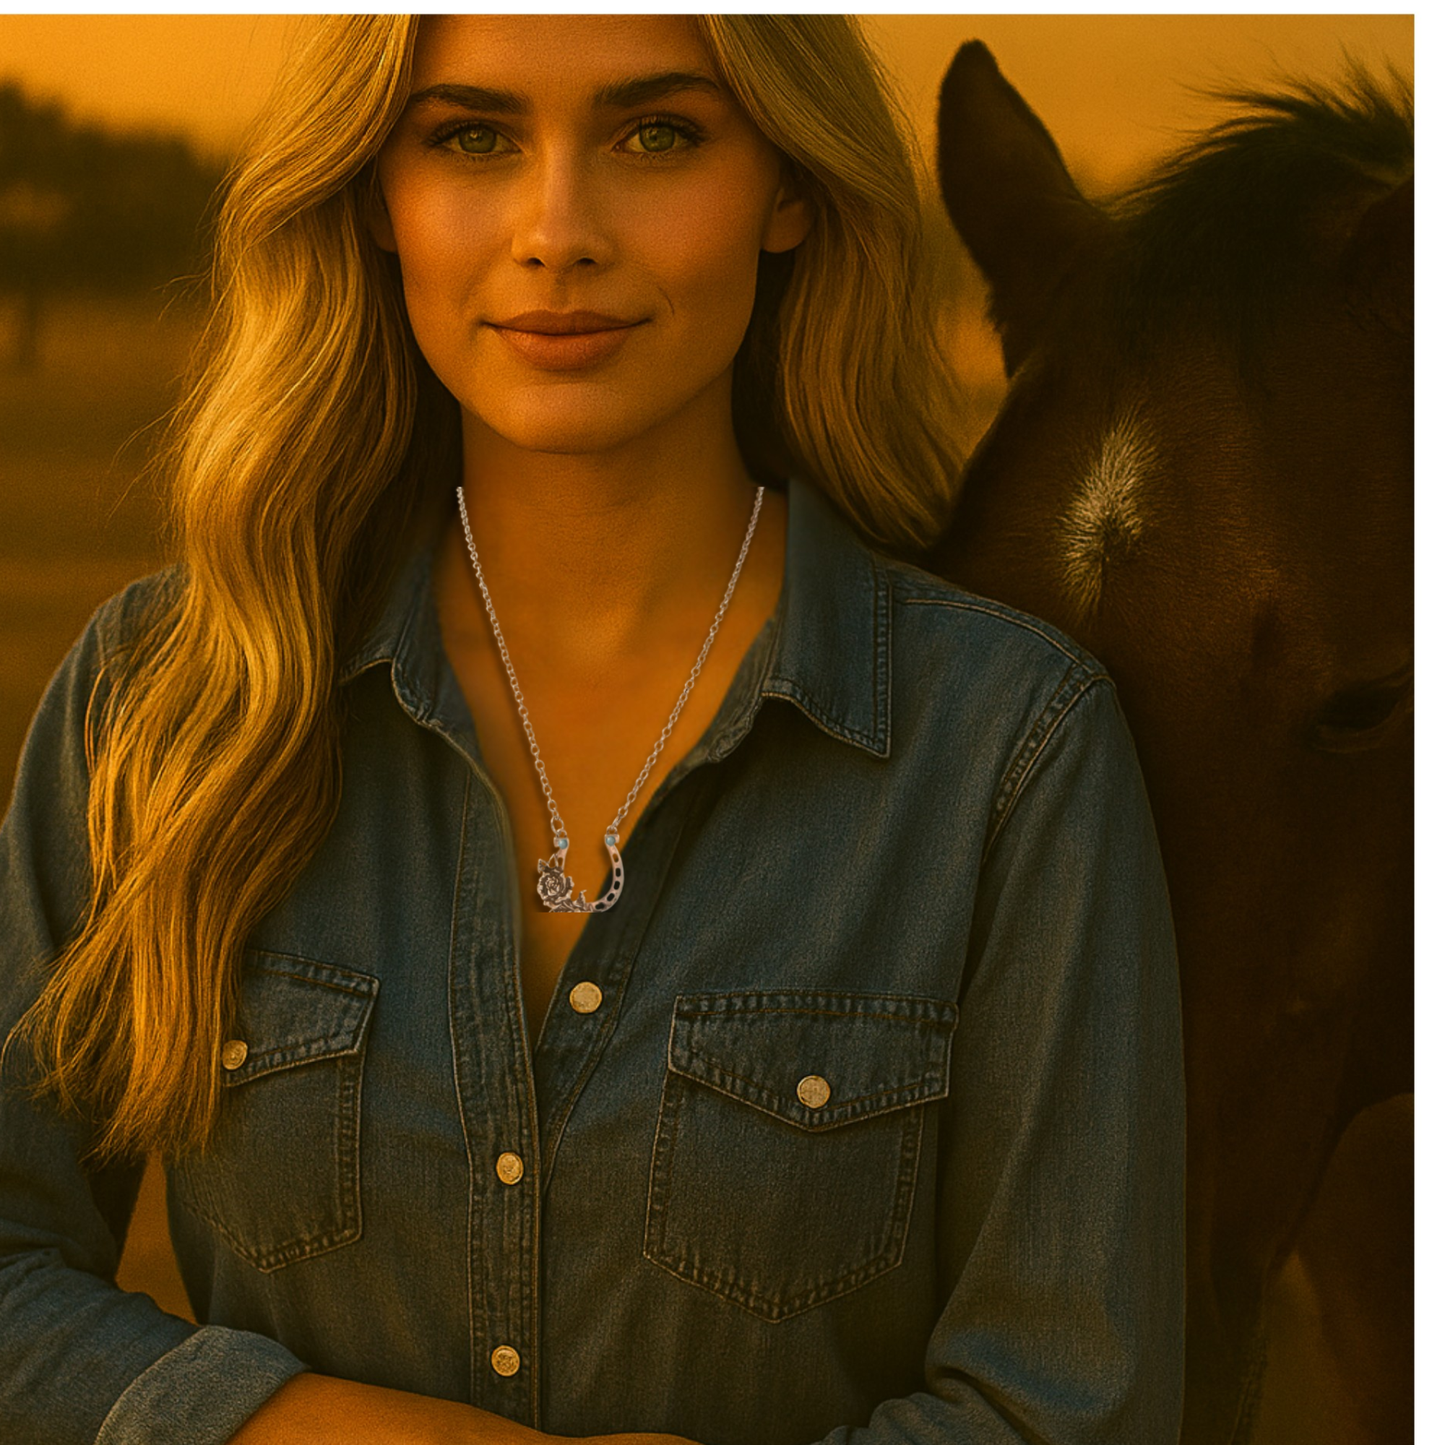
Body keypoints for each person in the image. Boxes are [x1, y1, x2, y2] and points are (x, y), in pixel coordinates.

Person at [0, 15, 1184, 1445]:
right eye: (472, 138)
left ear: (791, 188)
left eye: (658, 136)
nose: (557, 231)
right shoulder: (166, 696)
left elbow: (1070, 1405)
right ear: (381, 192)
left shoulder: (1007, 749)